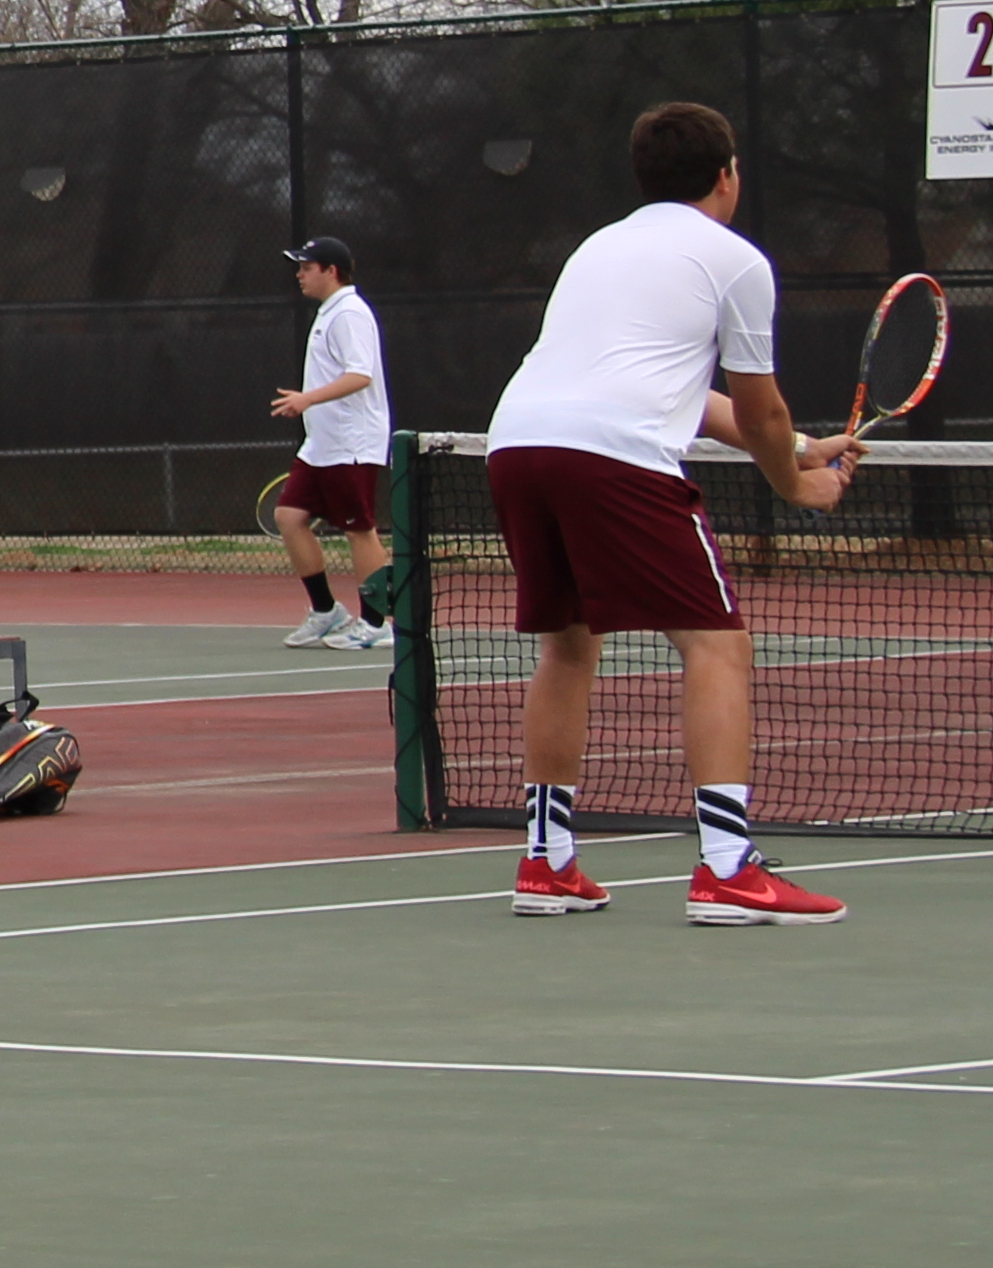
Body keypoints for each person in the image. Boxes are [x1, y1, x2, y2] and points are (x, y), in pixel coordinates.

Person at [481, 104, 853, 924]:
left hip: (516, 444)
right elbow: (761, 419)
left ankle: (547, 861)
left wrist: (798, 446)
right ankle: (727, 869)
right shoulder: (737, 261)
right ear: (727, 176)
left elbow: (671, 386)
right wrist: (796, 483)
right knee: (718, 643)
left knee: (569, 644)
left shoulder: (598, 247)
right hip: (612, 454)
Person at [266, 237, 393, 653]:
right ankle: (326, 611)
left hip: (352, 444)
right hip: (322, 445)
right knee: (288, 516)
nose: (300, 275)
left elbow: (361, 375)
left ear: (330, 271)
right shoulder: (329, 314)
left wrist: (307, 398)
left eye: (307, 267)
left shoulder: (350, 314)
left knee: (360, 530)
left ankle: (377, 622)